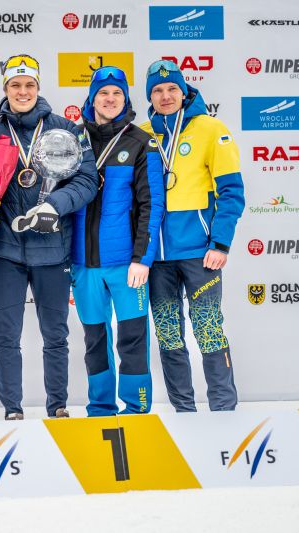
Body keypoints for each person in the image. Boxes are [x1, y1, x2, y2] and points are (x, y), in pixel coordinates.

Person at [0, 54, 98, 420]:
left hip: (53, 251)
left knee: (55, 335)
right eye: (15, 85)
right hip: (6, 252)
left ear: (38, 88)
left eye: (29, 84)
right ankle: (12, 409)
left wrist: (55, 206)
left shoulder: (66, 128)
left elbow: (87, 180)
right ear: (5, 89)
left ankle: (57, 405)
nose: (23, 91)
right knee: (6, 335)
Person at [141, 60, 245, 412]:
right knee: (168, 333)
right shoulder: (142, 134)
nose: (165, 96)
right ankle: (184, 412)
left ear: (184, 91)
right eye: (157, 90)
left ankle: (224, 409)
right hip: (157, 257)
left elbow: (231, 192)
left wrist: (220, 243)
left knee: (208, 328)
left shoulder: (210, 129)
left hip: (200, 253)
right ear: (149, 96)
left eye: (172, 89)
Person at [72, 66, 165, 416]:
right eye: (103, 93)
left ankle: (137, 407)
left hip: (126, 263)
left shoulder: (141, 141)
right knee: (94, 340)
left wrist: (142, 258)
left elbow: (151, 204)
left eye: (117, 94)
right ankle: (100, 407)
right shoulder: (72, 139)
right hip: (83, 264)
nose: (110, 99)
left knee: (132, 339)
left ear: (125, 98)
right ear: (92, 98)